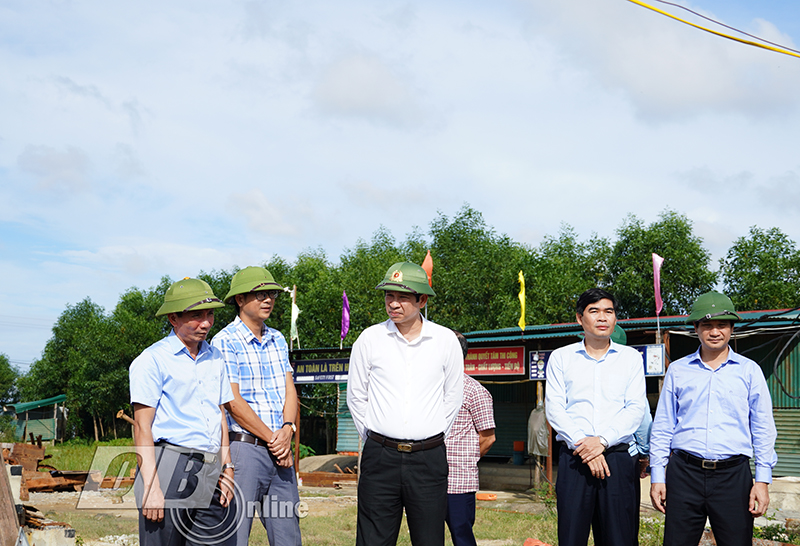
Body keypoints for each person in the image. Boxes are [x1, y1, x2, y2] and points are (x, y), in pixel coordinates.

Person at [347, 261, 464, 546]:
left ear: (422, 300)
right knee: (373, 539)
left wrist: (429, 435)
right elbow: (356, 396)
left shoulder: (445, 340)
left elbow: (453, 398)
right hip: (380, 458)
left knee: (429, 539)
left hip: (428, 458)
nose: (393, 303)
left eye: (402, 297)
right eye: (389, 295)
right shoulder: (370, 339)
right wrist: (377, 437)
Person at [649, 291, 777, 546]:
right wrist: (657, 476)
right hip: (684, 473)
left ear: (731, 329)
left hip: (733, 476)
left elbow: (763, 427)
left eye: (722, 325)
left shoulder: (749, 371)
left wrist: (762, 480)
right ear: (696, 328)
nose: (715, 332)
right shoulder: (678, 370)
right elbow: (663, 426)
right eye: (707, 325)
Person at [130, 277, 236, 546]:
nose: (206, 323)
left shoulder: (215, 358)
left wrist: (228, 467)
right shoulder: (151, 360)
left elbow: (220, 416)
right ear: (173, 318)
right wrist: (152, 485)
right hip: (169, 465)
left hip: (211, 467)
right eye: (196, 315)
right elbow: (142, 427)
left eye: (210, 314)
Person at [545, 288, 646, 546]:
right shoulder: (561, 358)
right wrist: (586, 445)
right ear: (580, 318)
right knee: (571, 537)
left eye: (608, 311)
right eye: (594, 311)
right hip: (575, 459)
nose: (602, 317)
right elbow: (555, 408)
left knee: (620, 538)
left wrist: (601, 442)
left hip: (618, 459)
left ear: (615, 318)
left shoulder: (631, 358)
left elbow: (635, 408)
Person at [211, 266, 302, 546]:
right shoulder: (224, 341)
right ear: (239, 299)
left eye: (272, 294)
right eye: (260, 294)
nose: (268, 300)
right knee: (234, 535)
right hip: (244, 450)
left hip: (280, 450)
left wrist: (287, 429)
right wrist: (275, 440)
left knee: (289, 537)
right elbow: (233, 401)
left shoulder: (277, 339)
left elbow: (290, 390)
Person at [445, 331, 496, 546]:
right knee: (426, 535)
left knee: (461, 534)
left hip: (458, 480)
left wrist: (465, 459)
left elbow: (488, 438)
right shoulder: (428, 389)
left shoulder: (475, 392)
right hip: (427, 478)